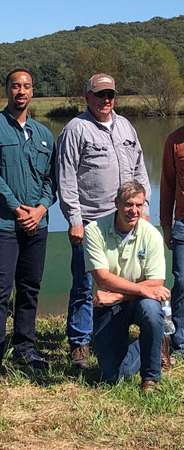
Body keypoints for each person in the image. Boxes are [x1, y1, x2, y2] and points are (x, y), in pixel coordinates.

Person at [56, 73, 151, 369]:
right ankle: (80, 344)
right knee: (85, 284)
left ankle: (116, 337)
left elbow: (139, 168)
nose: (106, 100)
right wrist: (74, 219)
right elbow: (66, 177)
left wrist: (144, 206)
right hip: (91, 221)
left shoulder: (125, 126)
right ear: (87, 97)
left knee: (128, 280)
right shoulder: (76, 129)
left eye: (110, 95)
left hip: (127, 221)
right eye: (100, 95)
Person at [0, 68, 56, 384]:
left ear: (32, 91)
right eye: (15, 86)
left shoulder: (44, 135)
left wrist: (40, 208)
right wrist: (16, 207)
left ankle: (25, 348)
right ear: (7, 90)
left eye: (26, 86)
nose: (21, 91)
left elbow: (51, 180)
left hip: (38, 222)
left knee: (30, 288)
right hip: (5, 222)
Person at [84, 182, 169, 391]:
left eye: (139, 205)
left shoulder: (152, 235)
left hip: (135, 302)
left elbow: (156, 283)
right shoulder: (94, 231)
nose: (134, 211)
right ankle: (154, 344)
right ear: (117, 204)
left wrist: (117, 296)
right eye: (129, 204)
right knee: (110, 378)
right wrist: (140, 289)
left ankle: (150, 378)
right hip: (108, 305)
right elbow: (103, 278)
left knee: (151, 308)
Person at [160, 124, 184, 358]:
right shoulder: (174, 140)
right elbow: (166, 185)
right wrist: (166, 225)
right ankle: (180, 342)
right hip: (182, 225)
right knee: (182, 281)